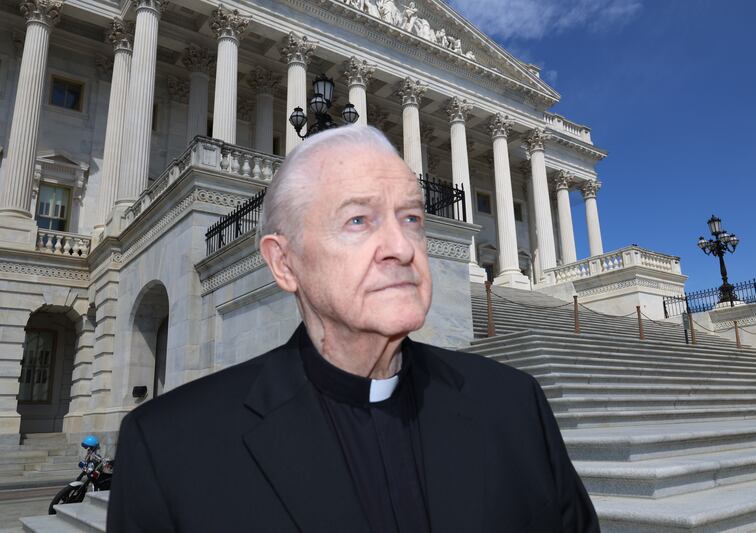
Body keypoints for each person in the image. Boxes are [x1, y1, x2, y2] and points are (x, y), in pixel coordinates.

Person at [107, 126, 599, 532]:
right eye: (359, 220)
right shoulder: (170, 449)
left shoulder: (514, 405)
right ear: (284, 263)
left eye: (411, 218)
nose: (401, 247)